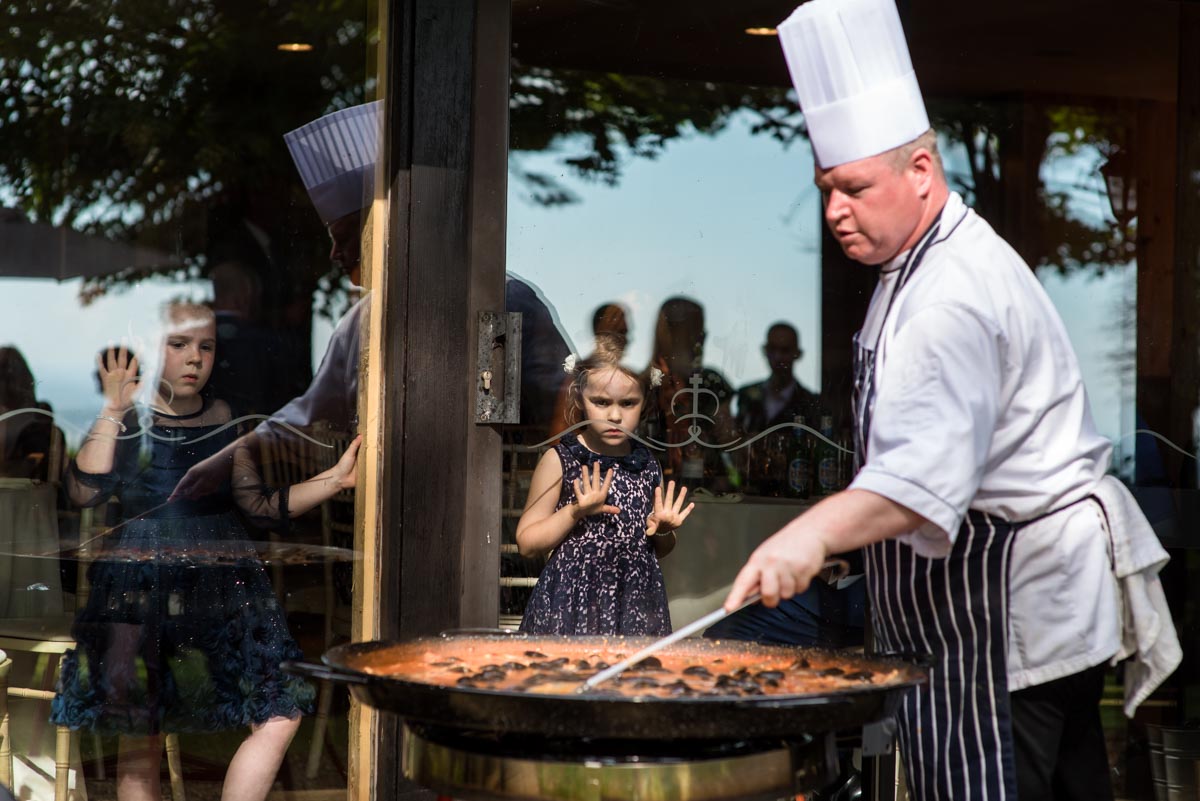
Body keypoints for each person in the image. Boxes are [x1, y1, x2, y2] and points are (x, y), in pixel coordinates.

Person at [724, 1, 1164, 799]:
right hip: (1022, 615)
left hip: (1006, 623)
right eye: (826, 188)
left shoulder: (949, 296)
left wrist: (808, 536)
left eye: (854, 187)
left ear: (920, 172)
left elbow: (919, 477)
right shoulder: (919, 262)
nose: (833, 211)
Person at [51, 301, 361, 801]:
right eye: (179, 345)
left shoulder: (227, 418)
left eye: (206, 346)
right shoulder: (130, 418)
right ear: (153, 348)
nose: (195, 358)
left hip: (224, 585)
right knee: (141, 731)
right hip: (142, 583)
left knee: (279, 711)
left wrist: (335, 480)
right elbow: (84, 491)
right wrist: (113, 409)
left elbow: (257, 505)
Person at [516, 335, 693, 635]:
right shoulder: (561, 460)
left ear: (645, 403)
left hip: (634, 603)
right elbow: (526, 542)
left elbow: (652, 547)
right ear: (579, 399)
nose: (614, 415)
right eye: (601, 402)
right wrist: (574, 511)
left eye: (627, 403)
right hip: (572, 604)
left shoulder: (646, 465)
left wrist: (663, 530)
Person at [735, 322, 821, 437]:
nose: (777, 357)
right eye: (772, 349)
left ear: (797, 353)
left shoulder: (811, 404)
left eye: (784, 350)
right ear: (765, 350)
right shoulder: (746, 395)